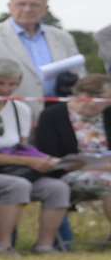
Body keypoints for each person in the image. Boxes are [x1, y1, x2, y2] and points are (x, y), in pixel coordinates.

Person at [0, 61, 69, 254]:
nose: (5, 89)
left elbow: (22, 149)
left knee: (58, 188)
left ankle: (45, 246)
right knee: (17, 186)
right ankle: (2, 246)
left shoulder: (21, 109)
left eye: (11, 84)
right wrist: (28, 162)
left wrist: (47, 161)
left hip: (13, 171)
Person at [0, 0, 80, 100]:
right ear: (9, 7)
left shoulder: (63, 38)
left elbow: (79, 75)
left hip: (59, 110)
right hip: (11, 111)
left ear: (45, 9)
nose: (27, 9)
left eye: (35, 5)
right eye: (21, 4)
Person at [33, 72, 111, 223]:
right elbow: (49, 155)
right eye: (106, 99)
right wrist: (96, 166)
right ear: (86, 96)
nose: (108, 104)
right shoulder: (52, 115)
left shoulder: (107, 114)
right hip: (69, 173)